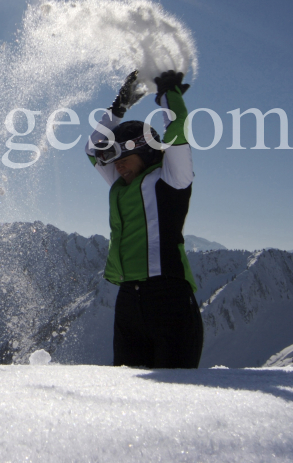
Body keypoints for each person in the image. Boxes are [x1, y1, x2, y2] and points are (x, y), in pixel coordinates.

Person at [84, 69, 203, 369]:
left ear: (143, 148)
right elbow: (92, 149)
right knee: (127, 394)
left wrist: (168, 92)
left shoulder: (171, 177)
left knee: (176, 393)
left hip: (170, 298)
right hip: (128, 301)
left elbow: (178, 131)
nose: (118, 167)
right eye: (115, 163)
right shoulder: (121, 183)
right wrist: (118, 108)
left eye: (122, 159)